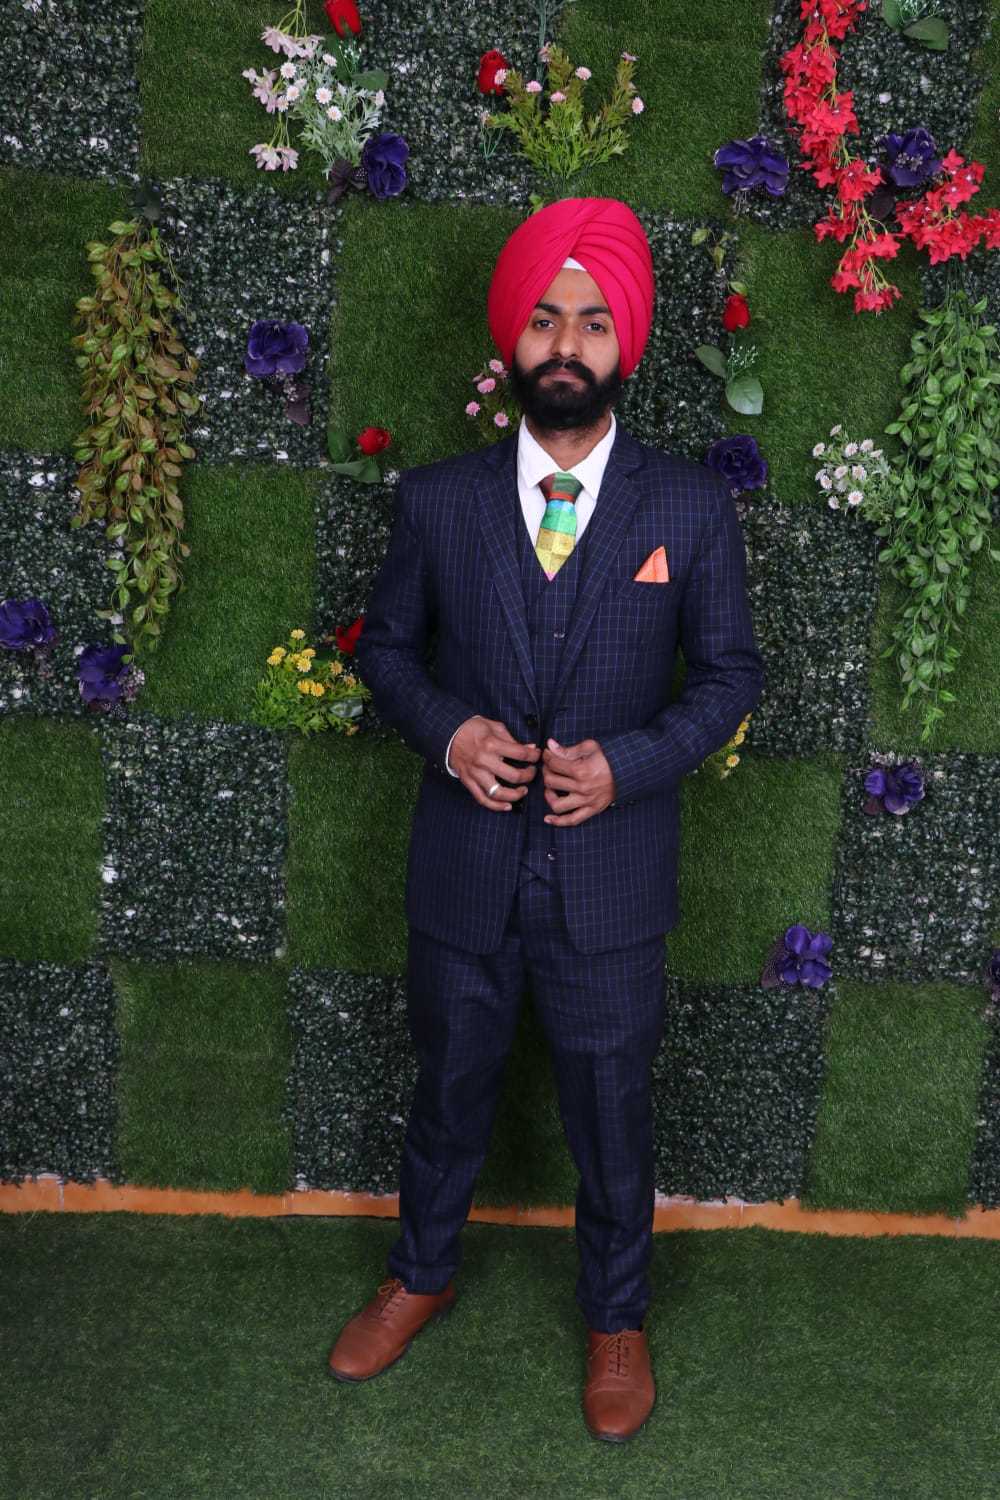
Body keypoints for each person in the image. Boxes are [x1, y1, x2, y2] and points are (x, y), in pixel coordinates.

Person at [328, 196, 765, 1442]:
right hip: (464, 868)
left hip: (611, 877)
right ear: (510, 340)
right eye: (542, 320)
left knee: (611, 1110)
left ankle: (616, 1319)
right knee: (447, 1088)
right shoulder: (437, 501)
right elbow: (386, 650)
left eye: (590, 321)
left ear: (623, 343)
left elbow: (729, 675)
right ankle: (419, 1273)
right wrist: (449, 731)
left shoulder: (688, 508)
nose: (564, 343)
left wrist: (629, 765)